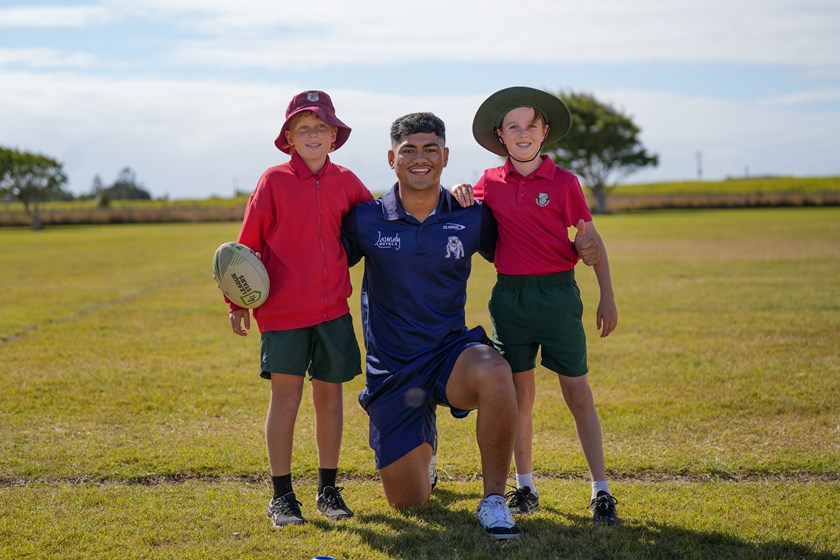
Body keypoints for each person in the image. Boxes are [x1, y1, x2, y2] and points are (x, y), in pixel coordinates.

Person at [341, 112, 523, 540]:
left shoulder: (471, 215)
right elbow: (320, 261)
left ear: (445, 156)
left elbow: (523, 248)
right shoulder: (366, 218)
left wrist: (578, 244)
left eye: (430, 150)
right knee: (409, 503)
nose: (419, 159)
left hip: (449, 355)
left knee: (496, 371)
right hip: (394, 371)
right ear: (391, 158)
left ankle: (494, 500)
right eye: (408, 151)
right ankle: (426, 444)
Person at [452, 86, 620, 525]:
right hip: (510, 298)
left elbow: (589, 237)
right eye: (514, 127)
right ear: (501, 136)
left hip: (558, 295)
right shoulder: (489, 182)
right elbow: (468, 209)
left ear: (544, 132)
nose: (523, 133)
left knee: (577, 391)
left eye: (530, 125)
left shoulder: (564, 183)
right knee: (519, 397)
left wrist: (607, 293)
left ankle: (600, 490)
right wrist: (459, 189)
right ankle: (524, 487)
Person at [225, 90, 373, 528]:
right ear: (288, 136)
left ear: (334, 136)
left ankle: (328, 489)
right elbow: (245, 246)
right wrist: (237, 302)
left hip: (332, 311)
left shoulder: (347, 180)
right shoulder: (272, 180)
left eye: (321, 127)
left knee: (329, 398)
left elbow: (375, 221)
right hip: (283, 313)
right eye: (303, 128)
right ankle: (282, 496)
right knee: (285, 398)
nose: (313, 134)